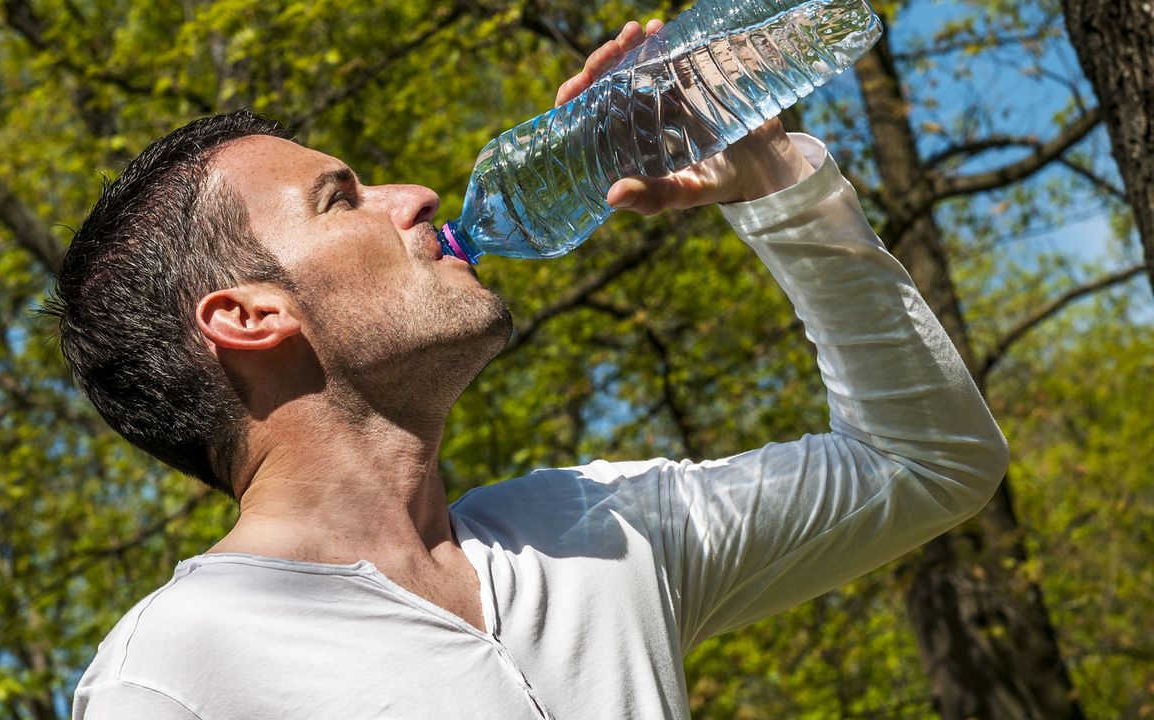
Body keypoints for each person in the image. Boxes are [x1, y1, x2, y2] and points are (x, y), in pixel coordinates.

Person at [56, 18, 1008, 720]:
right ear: (249, 316)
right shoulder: (181, 671)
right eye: (341, 198)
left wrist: (774, 182)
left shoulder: (590, 532)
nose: (418, 195)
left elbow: (923, 463)